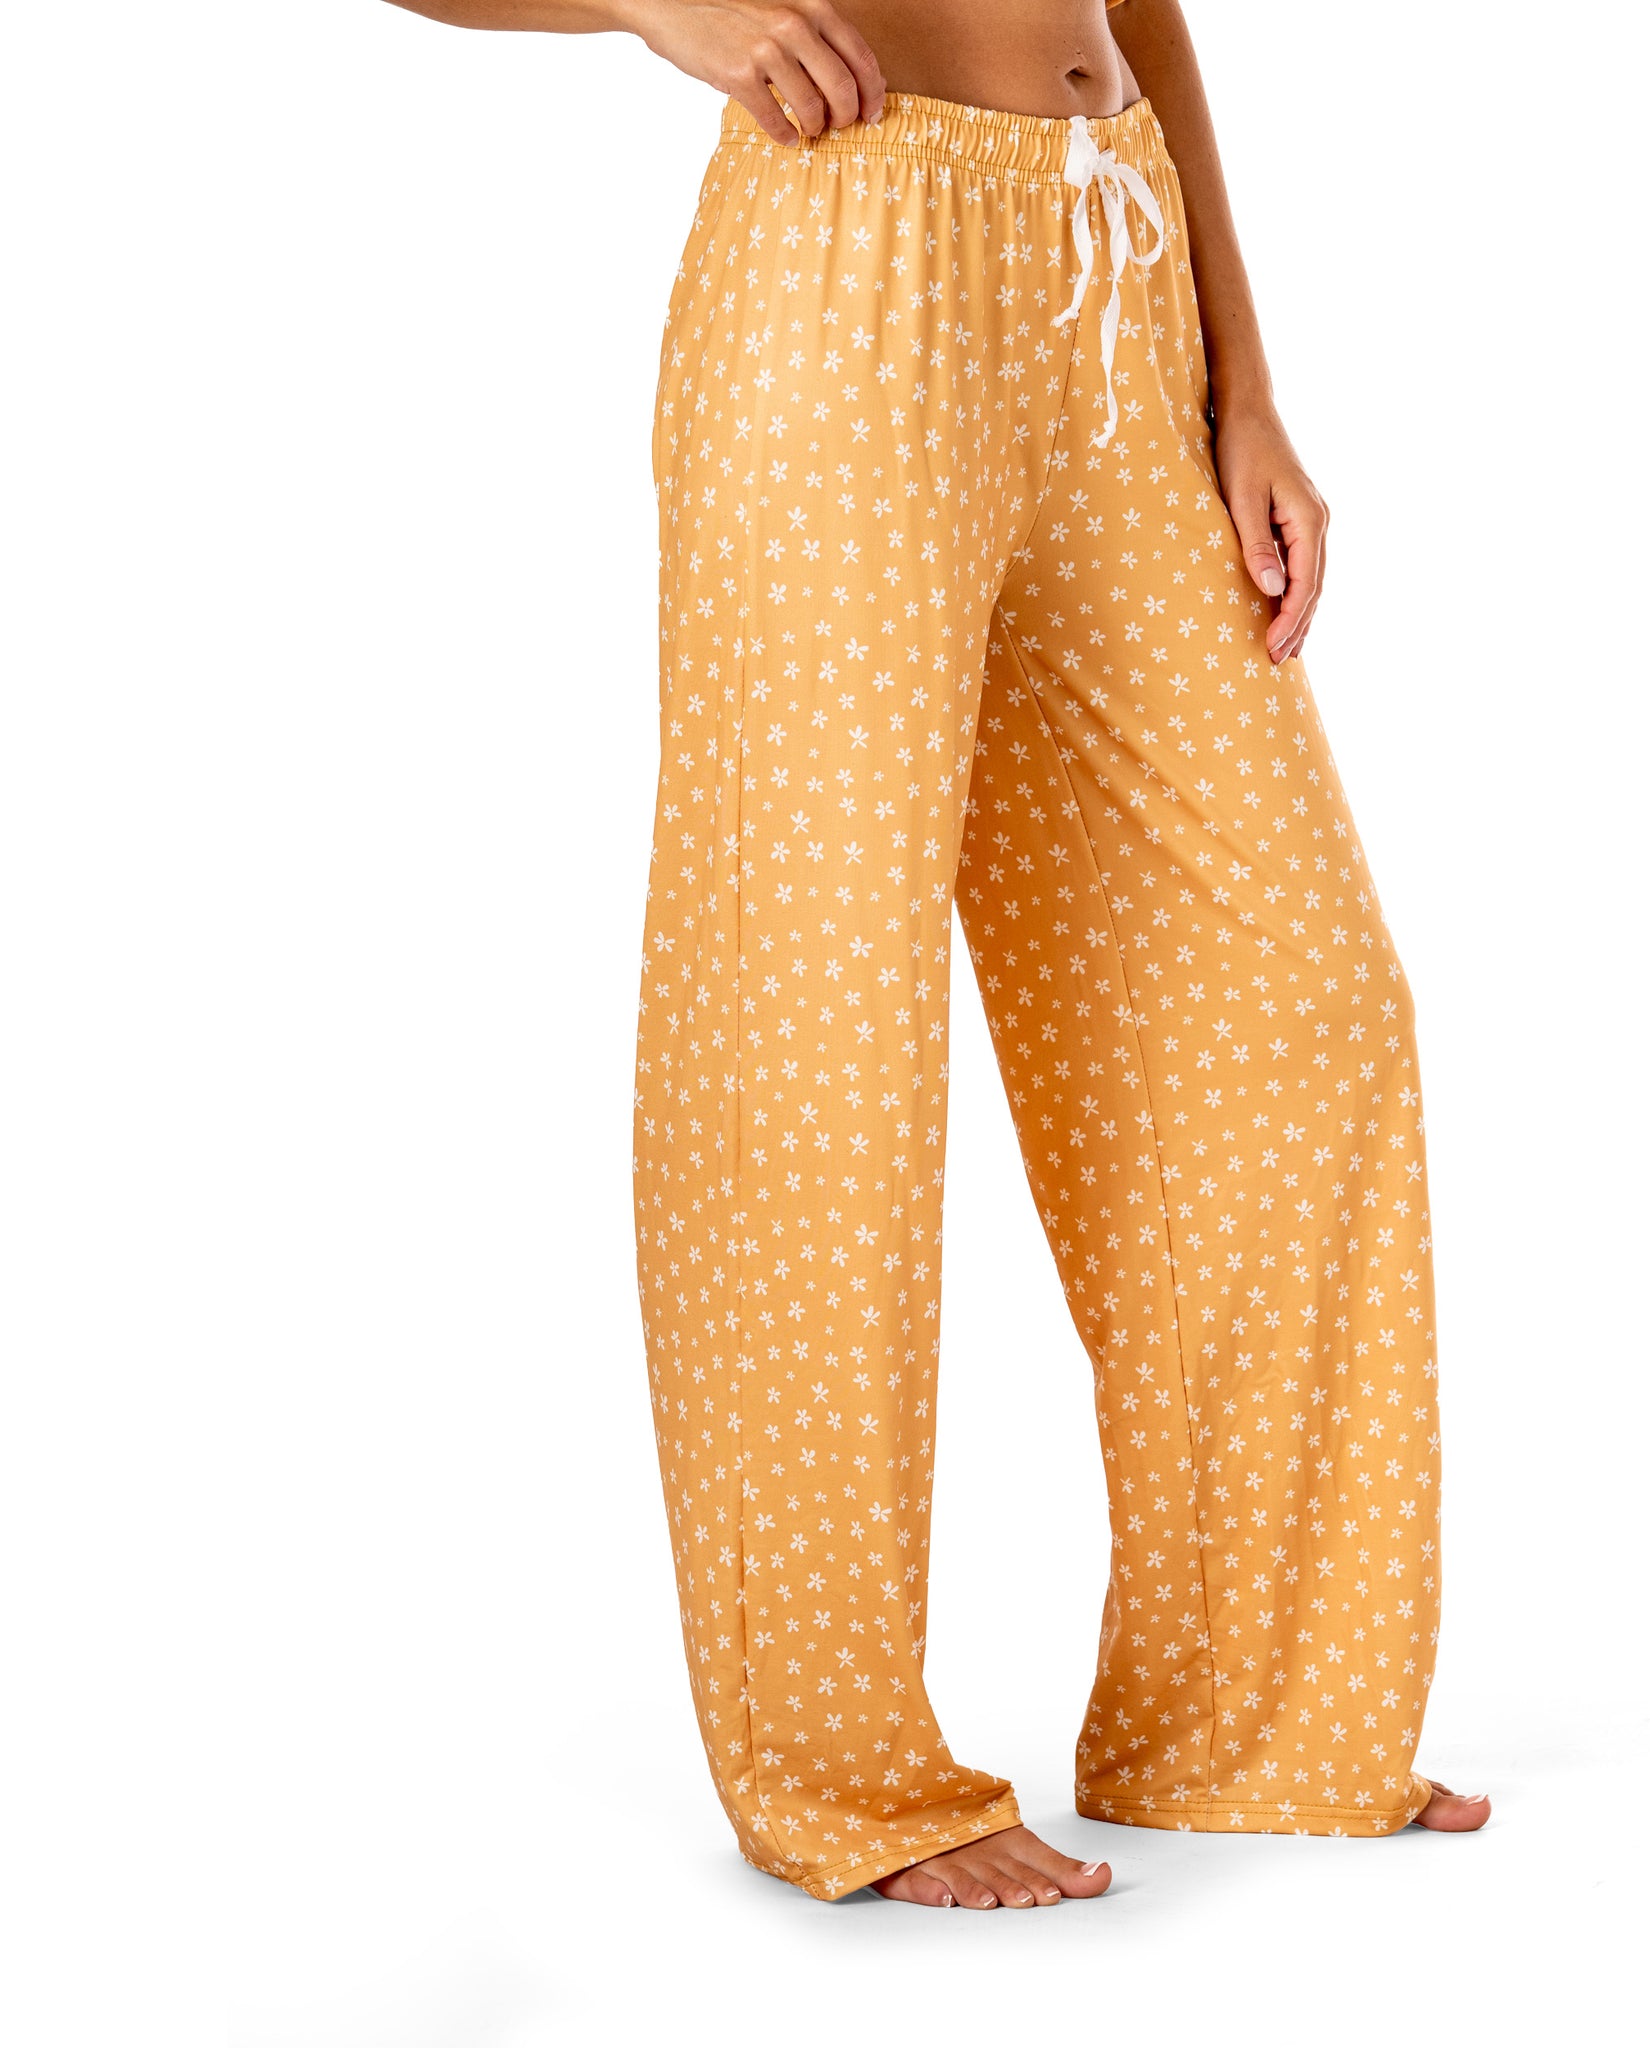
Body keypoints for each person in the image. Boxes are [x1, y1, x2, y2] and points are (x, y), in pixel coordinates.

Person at [384, 0, 1491, 1907]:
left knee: (1297, 1004)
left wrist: (1241, 374)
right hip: (854, 266)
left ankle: (1248, 1726)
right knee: (815, 1026)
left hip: (1111, 259)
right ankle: (842, 1771)